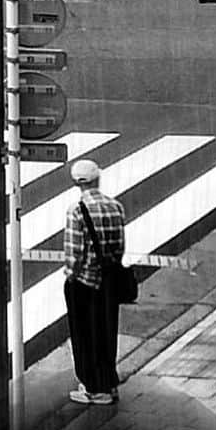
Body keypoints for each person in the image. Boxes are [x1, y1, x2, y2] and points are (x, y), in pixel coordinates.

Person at [64, 159, 126, 406]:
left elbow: (74, 253)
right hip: (109, 280)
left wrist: (71, 275)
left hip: (84, 282)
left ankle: (93, 386)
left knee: (84, 335)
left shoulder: (77, 210)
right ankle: (108, 381)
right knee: (106, 331)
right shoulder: (115, 207)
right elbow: (119, 245)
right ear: (97, 178)